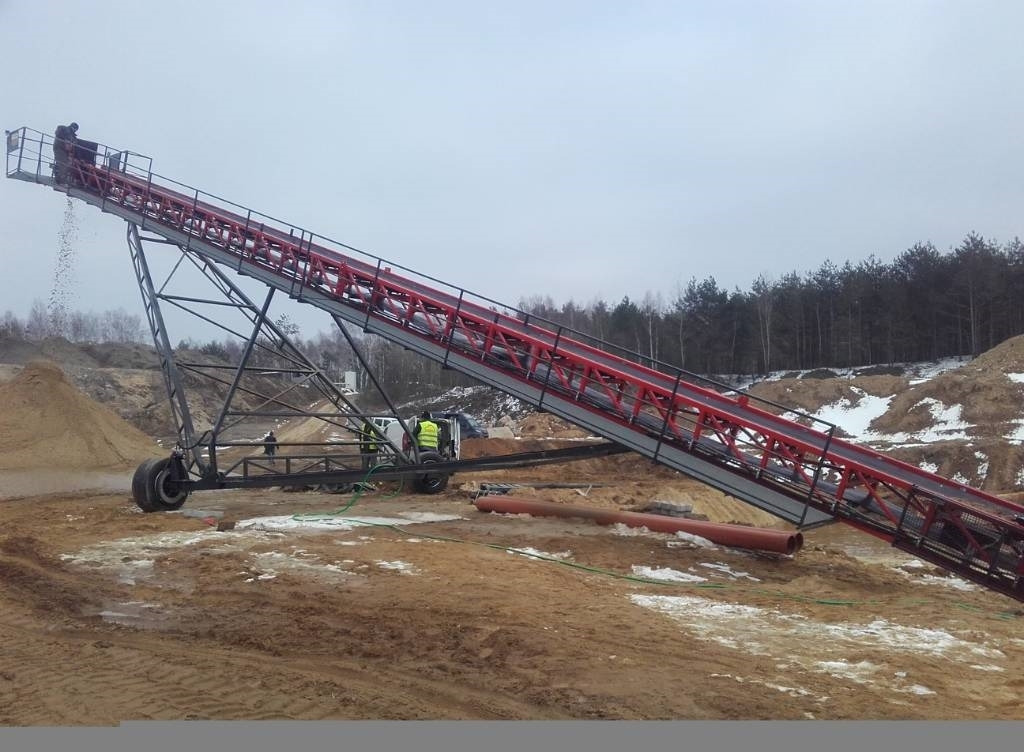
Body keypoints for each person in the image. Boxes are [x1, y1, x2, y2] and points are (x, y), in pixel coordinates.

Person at [52, 122, 78, 186]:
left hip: (66, 151)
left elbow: (75, 143)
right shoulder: (64, 129)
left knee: (68, 164)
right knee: (63, 164)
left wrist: (72, 144)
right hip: (59, 148)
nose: (74, 130)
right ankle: (59, 180)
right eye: (74, 128)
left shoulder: (73, 136)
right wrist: (67, 140)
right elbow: (58, 133)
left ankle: (62, 178)